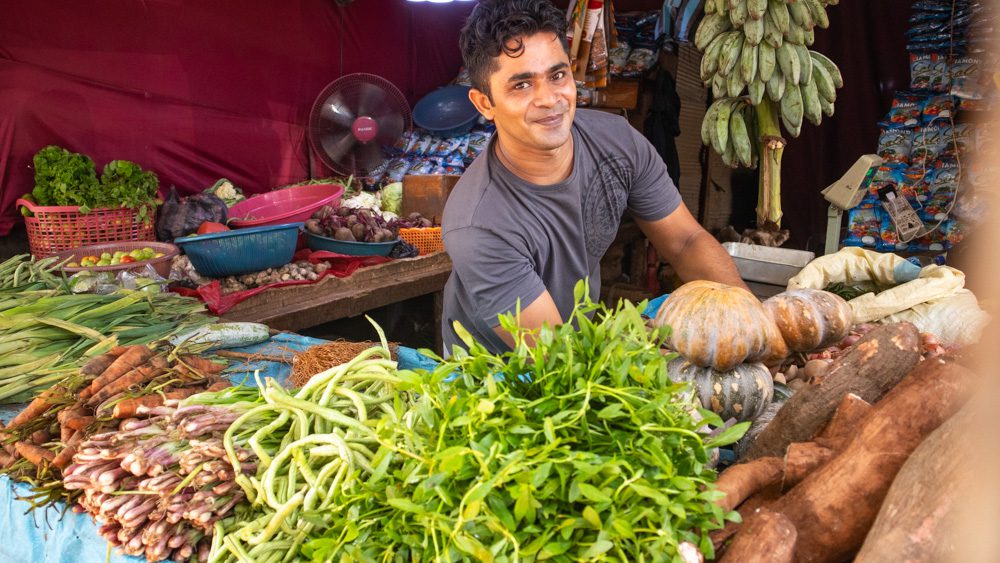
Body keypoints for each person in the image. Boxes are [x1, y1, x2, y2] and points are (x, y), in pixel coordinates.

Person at [441, 0, 747, 354]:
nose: (549, 98)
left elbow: (686, 242)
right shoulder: (478, 224)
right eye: (521, 86)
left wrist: (749, 319)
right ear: (484, 104)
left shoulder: (618, 144)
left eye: (557, 75)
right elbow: (555, 357)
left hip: (573, 345)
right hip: (493, 378)